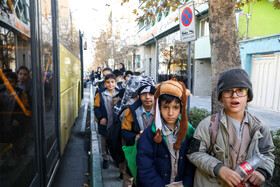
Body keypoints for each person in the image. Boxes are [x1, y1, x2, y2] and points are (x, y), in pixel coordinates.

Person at [187, 68, 275, 187]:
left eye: (240, 90)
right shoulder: (208, 125)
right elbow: (194, 153)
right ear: (220, 97)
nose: (234, 96)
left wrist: (262, 172)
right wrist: (219, 169)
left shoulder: (260, 128)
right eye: (228, 91)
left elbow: (267, 153)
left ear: (248, 96)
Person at [136, 79, 196, 186]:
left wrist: (185, 184)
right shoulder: (149, 135)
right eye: (165, 107)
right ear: (158, 108)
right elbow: (145, 169)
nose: (170, 113)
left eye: (175, 107)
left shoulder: (189, 133)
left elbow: (192, 164)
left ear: (181, 109)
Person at [121, 76, 156, 186]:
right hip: (135, 152)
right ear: (139, 95)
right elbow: (124, 132)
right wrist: (135, 137)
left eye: (151, 94)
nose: (147, 97)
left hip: (155, 154)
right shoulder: (131, 111)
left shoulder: (162, 111)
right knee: (130, 176)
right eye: (144, 94)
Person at [94, 73, 118, 169]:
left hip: (115, 122)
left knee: (115, 140)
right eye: (108, 82)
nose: (110, 84)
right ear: (105, 83)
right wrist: (101, 118)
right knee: (104, 140)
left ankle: (116, 158)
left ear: (116, 83)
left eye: (112, 82)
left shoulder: (119, 93)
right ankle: (106, 158)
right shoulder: (100, 93)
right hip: (104, 122)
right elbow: (96, 108)